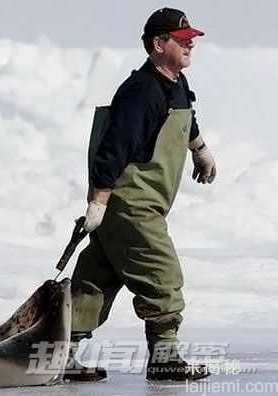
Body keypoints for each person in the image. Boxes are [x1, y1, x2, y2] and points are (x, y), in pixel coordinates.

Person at [67, 8, 216, 382]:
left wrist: (198, 148)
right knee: (161, 274)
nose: (190, 44)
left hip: (141, 204)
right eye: (181, 40)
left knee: (95, 282)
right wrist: (98, 202)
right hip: (131, 204)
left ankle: (57, 354)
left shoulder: (175, 82)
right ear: (157, 44)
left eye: (190, 39)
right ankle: (164, 357)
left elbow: (186, 118)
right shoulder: (141, 92)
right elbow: (113, 149)